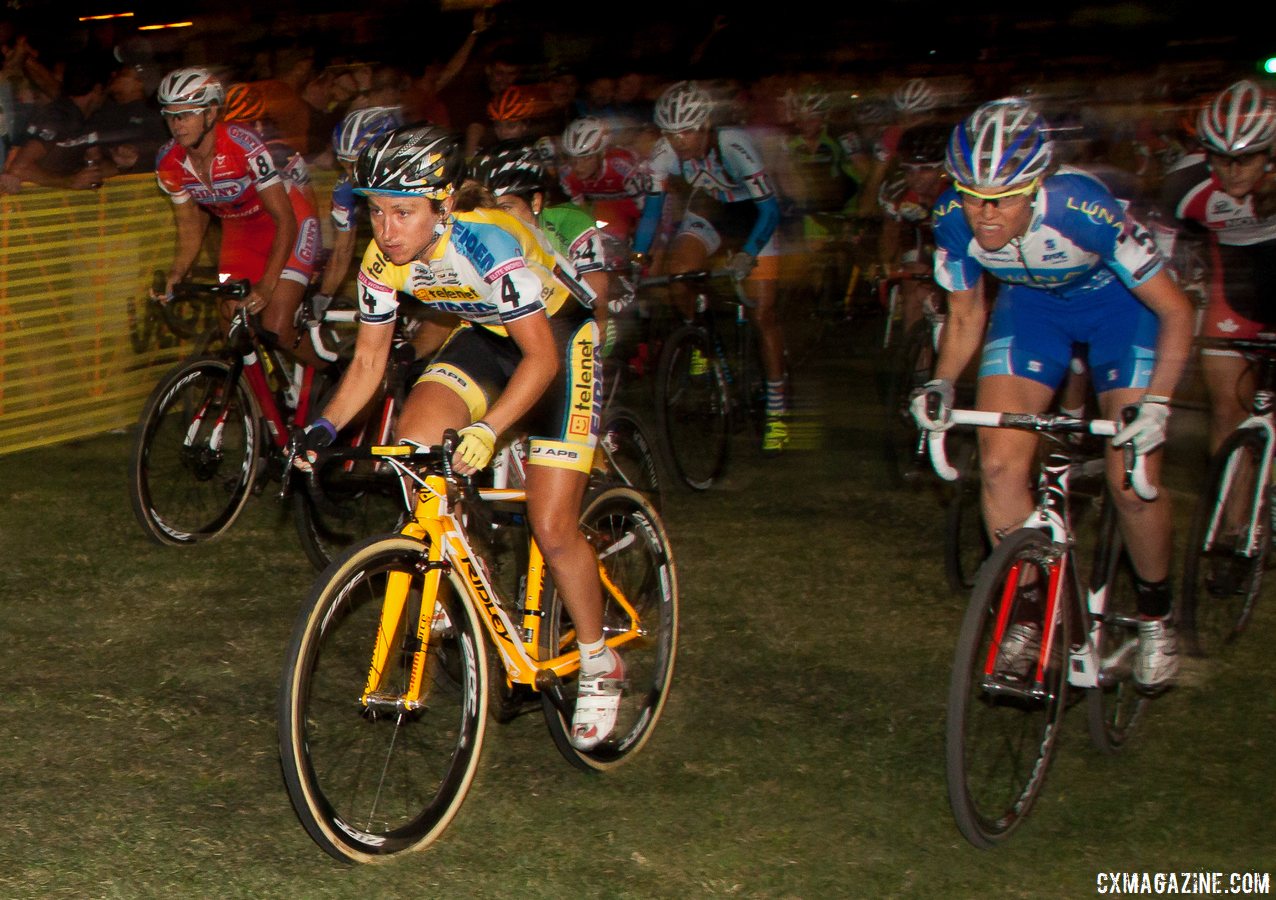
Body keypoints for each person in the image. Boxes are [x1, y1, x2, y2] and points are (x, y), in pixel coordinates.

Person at [290, 125, 623, 750]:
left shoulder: (486, 244)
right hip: (484, 336)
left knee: (552, 525)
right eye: (377, 211)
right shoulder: (380, 260)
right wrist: (323, 427)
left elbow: (541, 360)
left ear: (443, 206)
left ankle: (600, 660)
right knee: (414, 452)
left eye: (404, 213)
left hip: (556, 343)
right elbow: (366, 366)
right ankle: (444, 567)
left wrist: (489, 430)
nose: (386, 230)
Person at [911, 98, 1194, 691]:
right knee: (996, 466)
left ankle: (1155, 615)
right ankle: (1029, 614)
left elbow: (1174, 310)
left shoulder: (1084, 209)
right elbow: (965, 315)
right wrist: (939, 382)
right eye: (971, 193)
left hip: (1122, 313)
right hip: (1032, 313)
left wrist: (1160, 404)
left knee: (1130, 480)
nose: (985, 215)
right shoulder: (952, 220)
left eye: (1004, 197)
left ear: (1037, 185)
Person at [631, 80, 789, 453]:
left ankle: (778, 408)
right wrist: (638, 259)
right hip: (712, 209)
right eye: (671, 133)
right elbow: (652, 213)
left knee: (762, 314)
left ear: (704, 126)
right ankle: (699, 337)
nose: (679, 141)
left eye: (685, 132)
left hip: (754, 215)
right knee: (679, 275)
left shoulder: (734, 143)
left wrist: (749, 252)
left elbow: (769, 209)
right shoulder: (664, 152)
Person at [153, 67, 322, 366]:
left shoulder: (242, 145)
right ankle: (254, 408)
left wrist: (268, 286)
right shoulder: (169, 161)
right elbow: (191, 227)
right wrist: (177, 273)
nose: (176, 125)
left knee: (277, 327)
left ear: (211, 112)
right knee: (231, 324)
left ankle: (337, 380)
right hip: (239, 233)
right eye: (170, 116)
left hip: (286, 221)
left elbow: (284, 219)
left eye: (186, 114)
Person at [1157, 79, 1276, 454]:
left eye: (1247, 158)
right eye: (1221, 158)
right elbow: (1156, 262)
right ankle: (1231, 514)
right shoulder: (1183, 185)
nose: (1232, 171)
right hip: (1235, 293)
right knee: (1228, 414)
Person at [313, 104, 402, 302]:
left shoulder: (414, 181)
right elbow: (342, 250)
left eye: (355, 164)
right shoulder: (345, 190)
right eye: (343, 164)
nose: (349, 173)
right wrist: (324, 296)